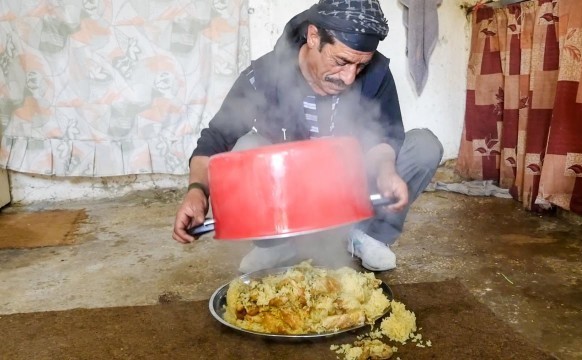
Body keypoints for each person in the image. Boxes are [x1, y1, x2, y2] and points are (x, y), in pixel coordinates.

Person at [172, 0, 443, 273]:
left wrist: (385, 171)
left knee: (424, 146)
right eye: (341, 62)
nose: (349, 77)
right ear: (314, 37)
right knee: (248, 146)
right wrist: (197, 192)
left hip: (352, 187)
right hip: (291, 193)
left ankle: (367, 235)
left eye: (360, 66)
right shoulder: (266, 74)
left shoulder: (376, 74)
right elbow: (216, 137)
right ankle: (277, 243)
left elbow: (384, 135)